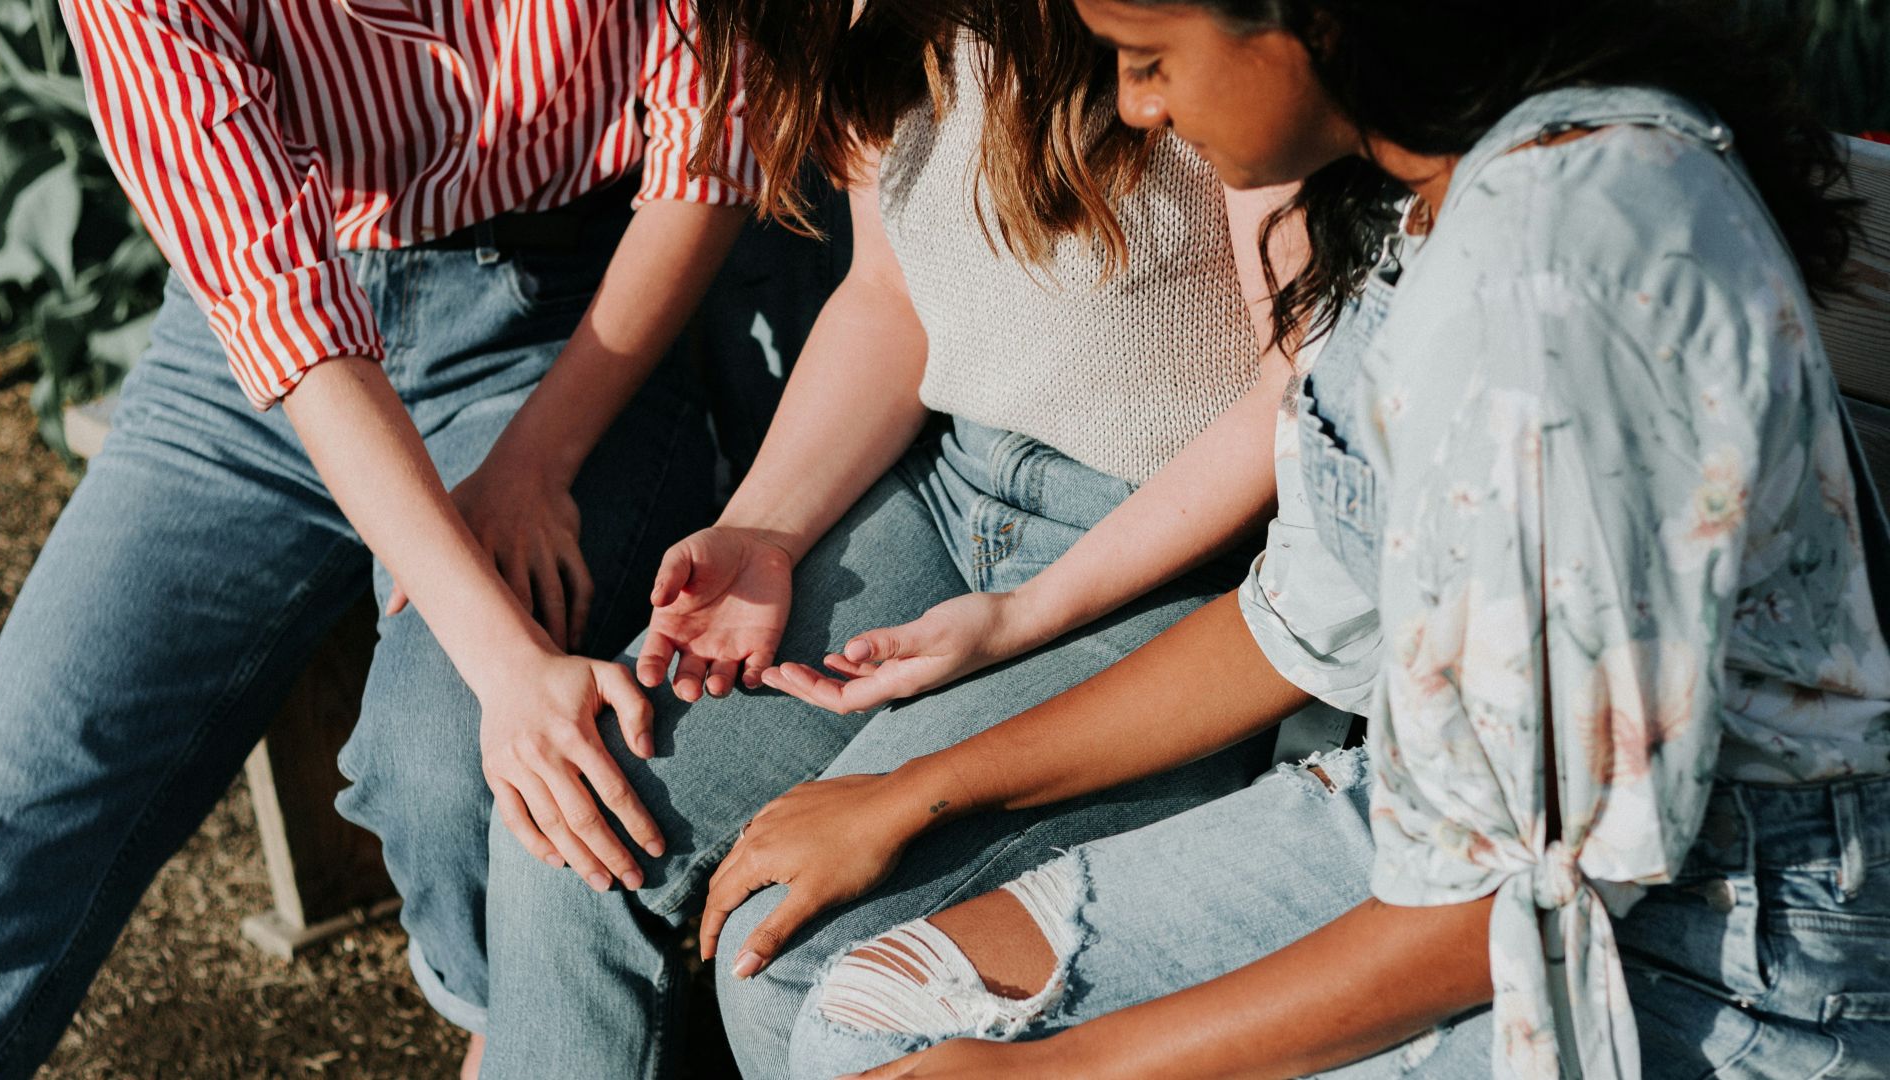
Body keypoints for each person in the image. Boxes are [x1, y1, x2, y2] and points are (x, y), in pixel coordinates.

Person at [702, 1, 1890, 1077]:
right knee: (868, 1012)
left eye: (1149, 57)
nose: (1137, 107)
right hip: (1430, 810)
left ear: (1313, 21)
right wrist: (916, 794)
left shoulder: (1554, 285)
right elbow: (1298, 622)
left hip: (1724, 950)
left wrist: (1053, 1072)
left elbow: (1520, 898)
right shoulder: (1410, 199)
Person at [456, 1, 1333, 1074]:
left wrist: (1021, 617)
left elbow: (1294, 390)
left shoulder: (1158, 33)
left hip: (1167, 559)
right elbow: (887, 295)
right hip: (944, 495)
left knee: (796, 947)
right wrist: (762, 528)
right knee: (570, 823)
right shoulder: (843, 20)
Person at [0, 3, 765, 1077]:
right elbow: (281, 312)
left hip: (561, 325)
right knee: (10, 796)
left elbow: (710, 147)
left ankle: (519, 1035)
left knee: (450, 767)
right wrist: (506, 661)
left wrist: (535, 462)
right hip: (250, 352)